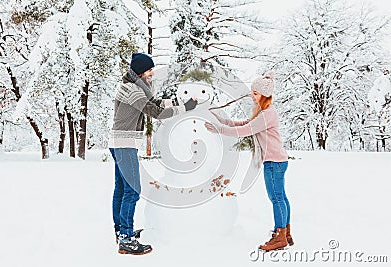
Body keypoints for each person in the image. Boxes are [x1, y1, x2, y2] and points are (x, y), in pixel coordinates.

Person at [109, 53, 198, 255]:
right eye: (149, 70)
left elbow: (155, 103)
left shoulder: (134, 86)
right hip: (124, 145)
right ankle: (125, 238)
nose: (152, 73)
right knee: (133, 190)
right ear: (141, 71)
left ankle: (122, 231)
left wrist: (175, 102)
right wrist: (185, 108)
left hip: (120, 144)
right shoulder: (132, 90)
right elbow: (155, 112)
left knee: (122, 189)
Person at [204, 71, 293, 251]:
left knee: (276, 198)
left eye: (255, 93)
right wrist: (224, 122)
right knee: (280, 197)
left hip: (274, 162)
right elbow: (246, 124)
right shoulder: (265, 112)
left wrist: (219, 129)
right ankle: (285, 233)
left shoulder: (267, 114)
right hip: (278, 161)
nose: (252, 96)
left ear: (265, 94)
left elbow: (245, 131)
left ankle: (280, 235)